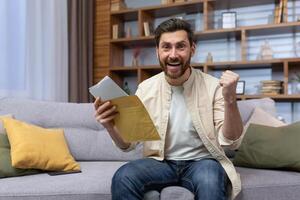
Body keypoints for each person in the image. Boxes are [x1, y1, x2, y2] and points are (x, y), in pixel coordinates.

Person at [94, 18, 243, 200]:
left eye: (180, 46)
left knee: (210, 180)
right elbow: (129, 144)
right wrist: (111, 126)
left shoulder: (213, 87)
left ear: (192, 49)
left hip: (202, 162)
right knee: (123, 176)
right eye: (166, 47)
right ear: (157, 52)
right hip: (160, 162)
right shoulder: (145, 88)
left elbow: (231, 142)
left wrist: (230, 100)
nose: (173, 54)